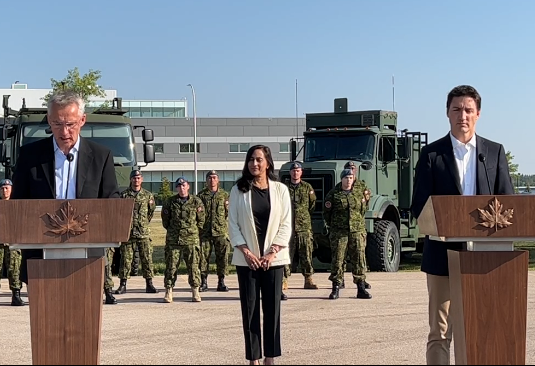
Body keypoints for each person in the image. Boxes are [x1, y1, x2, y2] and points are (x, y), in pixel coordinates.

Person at [410, 85, 514, 365]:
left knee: (480, 329)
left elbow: (509, 206)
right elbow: (419, 206)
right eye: (456, 109)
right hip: (441, 257)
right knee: (440, 333)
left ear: (478, 114)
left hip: (485, 258)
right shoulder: (432, 155)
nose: (462, 116)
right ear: (447, 113)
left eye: (468, 110)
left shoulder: (493, 152)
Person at [11, 89, 121, 306]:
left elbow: (112, 200)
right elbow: (18, 204)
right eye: (56, 124)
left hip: (88, 257)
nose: (64, 131)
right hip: (40, 258)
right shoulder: (30, 155)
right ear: (49, 121)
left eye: (70, 124)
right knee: (46, 324)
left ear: (82, 120)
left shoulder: (101, 156)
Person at [228, 144, 292, 365]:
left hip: (273, 260)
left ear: (268, 163)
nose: (254, 164)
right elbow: (233, 225)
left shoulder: (280, 190)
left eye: (258, 160)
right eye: (250, 160)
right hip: (248, 261)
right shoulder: (238, 190)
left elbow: (286, 224)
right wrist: (246, 251)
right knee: (250, 309)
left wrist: (272, 253)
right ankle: (254, 358)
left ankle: (270, 357)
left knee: (272, 310)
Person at [323, 169, 372, 300]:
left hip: (357, 231)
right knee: (338, 260)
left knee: (359, 259)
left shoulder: (359, 192)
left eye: (350, 177)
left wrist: (358, 225)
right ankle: (336, 287)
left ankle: (361, 287)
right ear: (342, 179)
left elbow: (364, 209)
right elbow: (327, 213)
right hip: (340, 232)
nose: (348, 180)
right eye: (346, 178)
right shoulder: (334, 194)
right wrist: (334, 228)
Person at [161, 177, 205, 303]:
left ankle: (195, 291)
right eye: (179, 186)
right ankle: (169, 291)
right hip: (174, 240)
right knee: (171, 266)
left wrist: (193, 231)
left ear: (188, 186)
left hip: (191, 240)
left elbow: (201, 220)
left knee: (193, 266)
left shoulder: (196, 202)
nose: (181, 188)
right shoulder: (170, 202)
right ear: (176, 188)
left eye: (183, 185)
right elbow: (165, 221)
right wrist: (174, 231)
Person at [115, 170, 158, 294]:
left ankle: (149, 284)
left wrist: (142, 223)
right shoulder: (124, 195)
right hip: (128, 233)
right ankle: (123, 285)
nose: (136, 180)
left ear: (142, 180)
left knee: (147, 258)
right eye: (134, 178)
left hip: (143, 232)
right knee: (126, 259)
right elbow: (120, 213)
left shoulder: (148, 195)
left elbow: (150, 212)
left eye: (138, 178)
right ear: (130, 180)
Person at [283, 161, 318, 291]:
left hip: (304, 227)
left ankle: (308, 279)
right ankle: (284, 280)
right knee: (286, 254)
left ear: (301, 172)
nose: (295, 172)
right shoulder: (284, 188)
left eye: (298, 170)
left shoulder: (307, 188)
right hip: (288, 227)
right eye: (293, 170)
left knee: (306, 254)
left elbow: (312, 206)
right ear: (290, 172)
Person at [197, 170, 231, 292]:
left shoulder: (224, 195)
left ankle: (221, 282)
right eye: (210, 178)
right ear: (206, 181)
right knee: (203, 258)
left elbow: (227, 213)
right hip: (205, 232)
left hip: (220, 231)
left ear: (218, 180)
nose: (212, 180)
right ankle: (204, 282)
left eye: (214, 177)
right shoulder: (200, 196)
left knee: (222, 257)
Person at [0, 179, 25, 306]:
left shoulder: (16, 205)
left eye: (7, 188)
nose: (4, 191)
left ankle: (16, 295)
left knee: (15, 269)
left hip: (12, 242)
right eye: (2, 188)